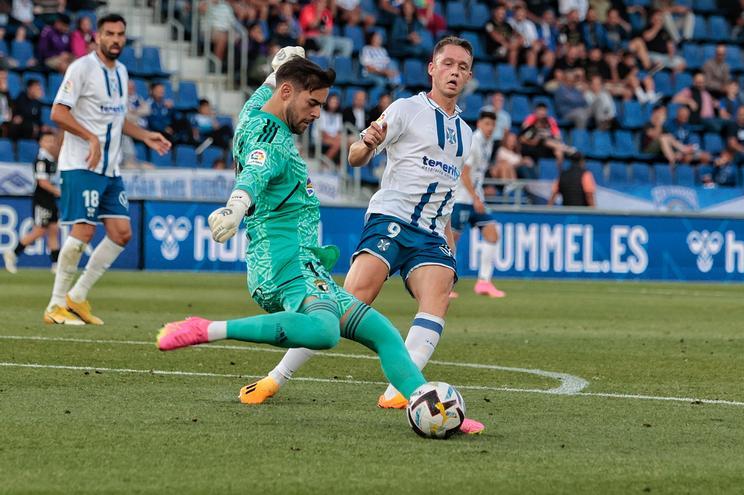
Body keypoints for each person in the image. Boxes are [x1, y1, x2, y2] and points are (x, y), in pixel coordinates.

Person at [156, 52, 437, 432]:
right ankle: (207, 328)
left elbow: (269, 87)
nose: (318, 113)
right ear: (289, 93)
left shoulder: (255, 113)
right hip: (283, 265)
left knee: (383, 332)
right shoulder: (270, 140)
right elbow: (255, 173)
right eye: (313, 103)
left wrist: (282, 64)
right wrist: (235, 209)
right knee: (323, 331)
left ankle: (431, 408)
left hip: (306, 266)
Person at [238, 37, 485, 435]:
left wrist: (450, 241)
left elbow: (448, 193)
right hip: (391, 218)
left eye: (462, 66)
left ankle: (400, 392)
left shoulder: (466, 134)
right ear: (432, 68)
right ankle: (276, 378)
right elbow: (355, 155)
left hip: (431, 233)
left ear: (469, 75)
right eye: (448, 64)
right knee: (347, 301)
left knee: (437, 296)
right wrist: (367, 142)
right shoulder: (407, 109)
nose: (455, 72)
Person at [43, 14, 171, 325]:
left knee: (121, 232)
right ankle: (55, 305)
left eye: (120, 34)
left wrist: (145, 135)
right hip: (81, 164)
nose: (115, 39)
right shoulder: (82, 68)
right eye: (109, 34)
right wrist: (89, 137)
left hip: (110, 169)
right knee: (84, 230)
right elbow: (58, 112)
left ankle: (77, 297)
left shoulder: (122, 72)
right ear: (97, 37)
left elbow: (116, 119)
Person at [450, 110, 504, 298]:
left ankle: (484, 282)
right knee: (450, 241)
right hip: (462, 199)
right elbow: (464, 173)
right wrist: (475, 197)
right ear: (480, 123)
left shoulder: (488, 144)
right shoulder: (473, 141)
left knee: (492, 233)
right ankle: (443, 285)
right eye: (487, 124)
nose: (490, 128)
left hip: (475, 197)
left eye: (492, 125)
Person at [3, 132, 63, 273]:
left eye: (52, 141)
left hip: (50, 199)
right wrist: (59, 192)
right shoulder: (41, 160)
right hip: (42, 199)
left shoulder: (51, 159)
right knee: (40, 230)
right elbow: (42, 183)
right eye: (47, 140)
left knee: (54, 230)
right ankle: (12, 252)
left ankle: (56, 264)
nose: (50, 143)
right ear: (40, 143)